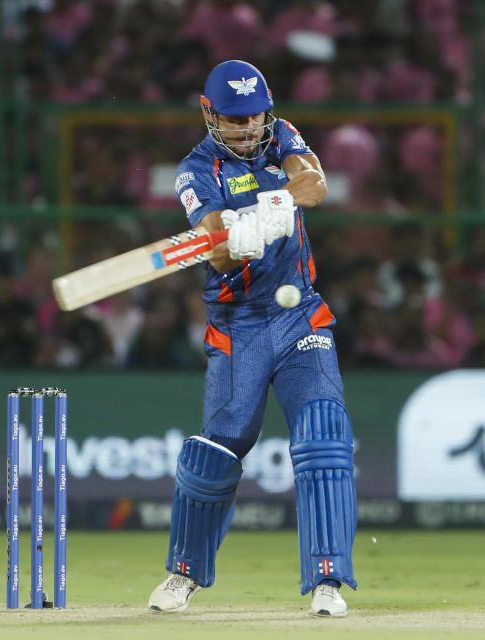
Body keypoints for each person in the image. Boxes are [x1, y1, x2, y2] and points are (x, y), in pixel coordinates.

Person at [148, 60, 357, 617]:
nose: (247, 130)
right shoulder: (195, 170)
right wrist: (234, 235)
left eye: (255, 118)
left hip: (299, 315)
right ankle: (183, 574)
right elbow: (213, 246)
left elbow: (313, 183)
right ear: (208, 112)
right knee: (220, 448)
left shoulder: (281, 134)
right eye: (236, 120)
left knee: (323, 437)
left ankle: (328, 581)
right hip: (238, 324)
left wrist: (273, 206)